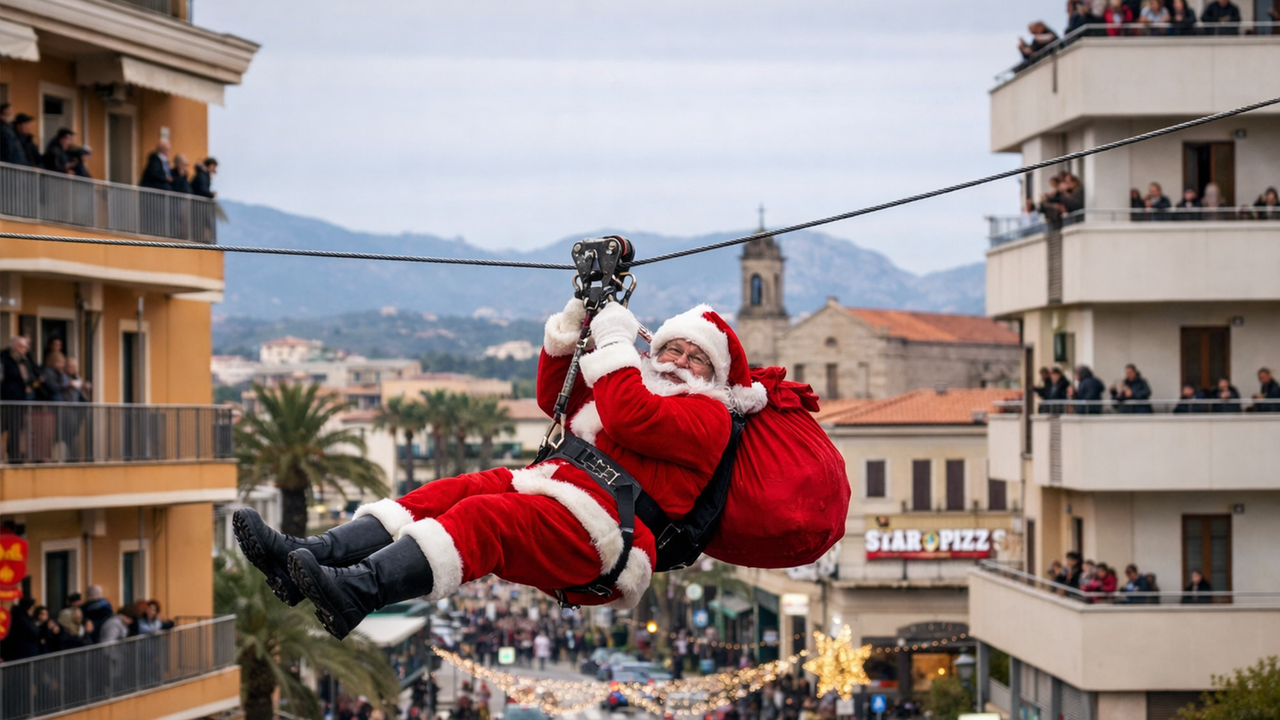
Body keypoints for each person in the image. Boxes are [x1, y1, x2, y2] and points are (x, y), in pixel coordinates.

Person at [236, 300, 769, 640]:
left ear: (714, 375)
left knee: (484, 517)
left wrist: (612, 340)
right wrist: (573, 325)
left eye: (693, 355)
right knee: (447, 493)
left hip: (607, 532)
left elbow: (631, 416)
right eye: (670, 346)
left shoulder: (708, 414)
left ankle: (357, 591)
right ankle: (305, 557)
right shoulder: (633, 386)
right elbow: (553, 397)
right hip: (558, 490)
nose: (675, 357)